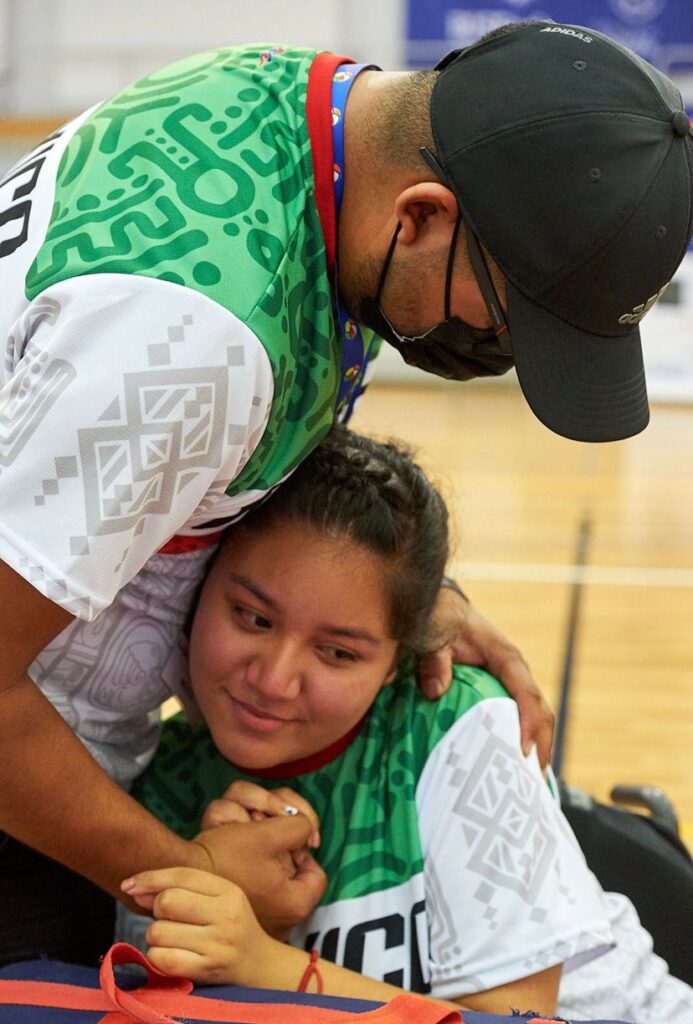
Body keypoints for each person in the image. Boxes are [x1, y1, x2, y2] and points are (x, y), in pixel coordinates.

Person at [0, 16, 691, 964]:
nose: (497, 355)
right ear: (419, 216)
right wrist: (193, 882)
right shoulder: (194, 342)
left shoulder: (296, 107)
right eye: (508, 321)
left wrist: (407, 594)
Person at [123, 427, 693, 1022]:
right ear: (193, 592)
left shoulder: (462, 727)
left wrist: (268, 968)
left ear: (401, 660)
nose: (273, 679)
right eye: (251, 617)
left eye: (338, 653)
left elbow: (520, 1019)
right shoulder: (159, 779)